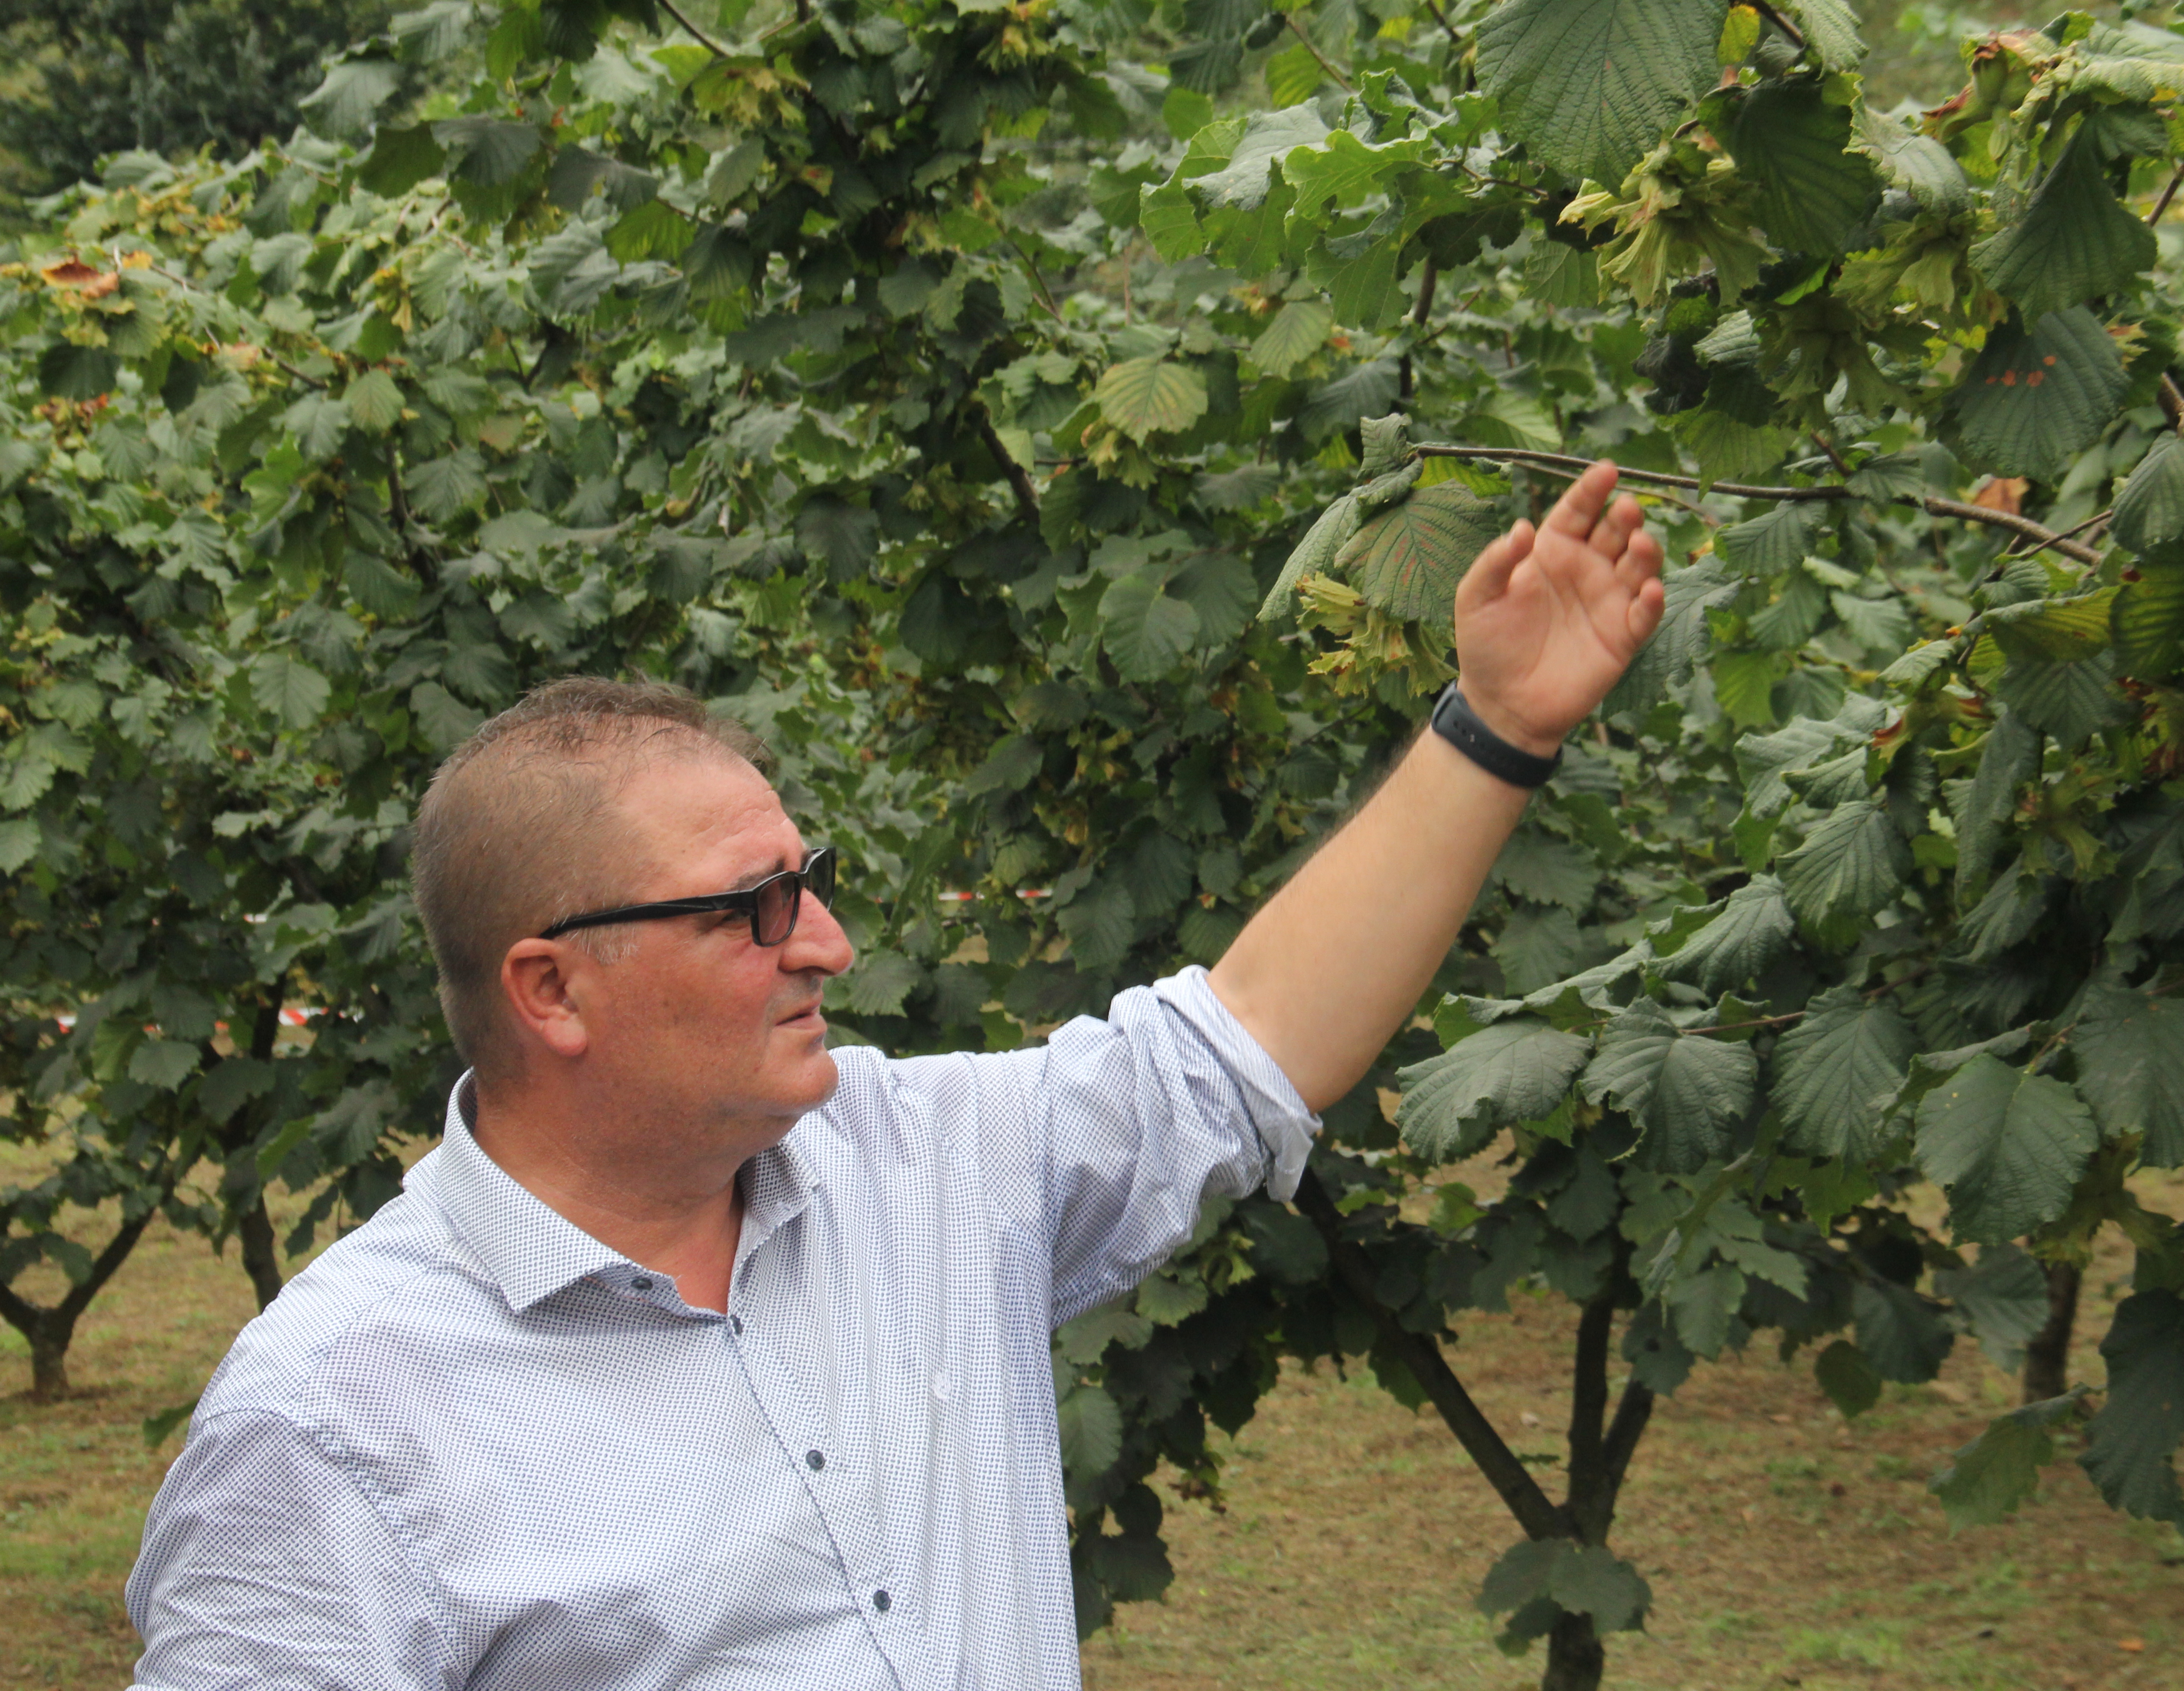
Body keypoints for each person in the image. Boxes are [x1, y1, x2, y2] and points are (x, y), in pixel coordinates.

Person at [124, 462, 1664, 1690]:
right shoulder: (334, 1424)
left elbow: (1237, 1048)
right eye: (755, 909)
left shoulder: (911, 1166)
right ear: (553, 988)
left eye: (816, 881)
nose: (830, 947)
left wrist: (1499, 730)